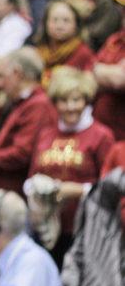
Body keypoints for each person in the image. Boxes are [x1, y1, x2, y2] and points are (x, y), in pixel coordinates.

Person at [28, 66, 114, 266]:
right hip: (48, 228)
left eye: (76, 100)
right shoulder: (45, 134)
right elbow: (30, 178)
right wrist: (40, 188)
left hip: (87, 229)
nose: (70, 107)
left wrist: (77, 190)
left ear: (86, 101)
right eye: (63, 101)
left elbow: (111, 187)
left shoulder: (101, 136)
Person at [0, 48, 56, 193]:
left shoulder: (37, 105)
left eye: (3, 76)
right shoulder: (22, 103)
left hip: (14, 192)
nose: (1, 83)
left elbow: (21, 153)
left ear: (17, 73)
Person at [35, 0, 95, 83]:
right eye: (54, 20)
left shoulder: (83, 53)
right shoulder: (38, 51)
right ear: (45, 24)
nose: (59, 26)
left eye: (66, 20)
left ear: (76, 25)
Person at [93, 0, 125, 141]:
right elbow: (90, 72)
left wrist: (101, 71)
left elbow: (119, 80)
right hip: (104, 131)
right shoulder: (114, 39)